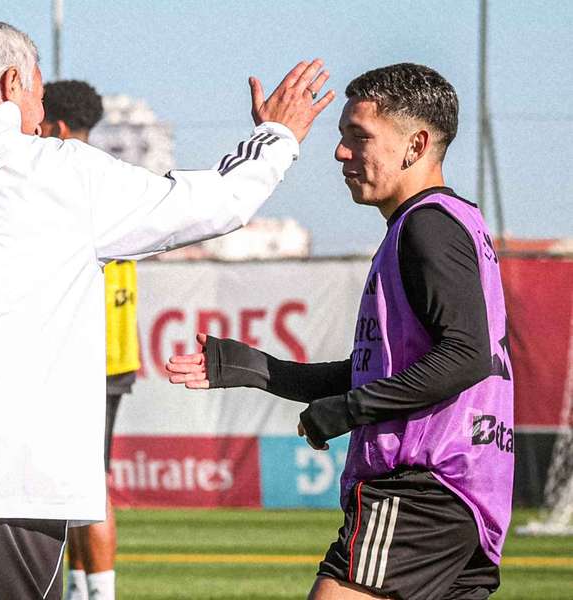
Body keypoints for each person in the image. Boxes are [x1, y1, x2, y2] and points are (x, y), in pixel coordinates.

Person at [0, 19, 334, 600]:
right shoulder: (65, 175)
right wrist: (276, 135)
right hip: (15, 485)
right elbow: (214, 203)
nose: (40, 106)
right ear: (10, 82)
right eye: (37, 91)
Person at [166, 63, 513, 600]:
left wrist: (348, 410)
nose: (341, 153)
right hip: (462, 494)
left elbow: (465, 356)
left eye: (360, 137)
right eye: (341, 137)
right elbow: (395, 371)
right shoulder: (446, 222)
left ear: (415, 144)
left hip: (421, 484)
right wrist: (259, 369)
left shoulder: (427, 225)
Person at [38, 79, 136, 600]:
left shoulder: (67, 180)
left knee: (89, 485)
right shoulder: (112, 179)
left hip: (86, 360)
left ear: (52, 126)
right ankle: (80, 588)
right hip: (106, 357)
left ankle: (99, 594)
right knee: (73, 484)